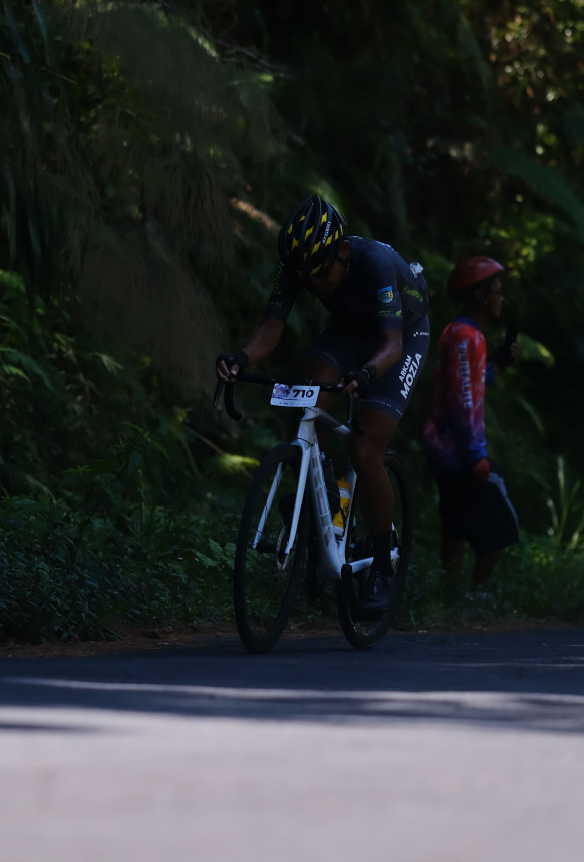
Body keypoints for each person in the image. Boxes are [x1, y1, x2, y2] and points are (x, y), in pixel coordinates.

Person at [216, 196, 430, 612]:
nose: (314, 284)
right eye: (305, 277)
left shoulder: (374, 263)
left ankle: (383, 564)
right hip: (348, 330)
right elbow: (271, 328)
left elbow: (391, 346)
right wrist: (239, 359)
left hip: (401, 336)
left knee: (365, 448)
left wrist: (366, 373)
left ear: (344, 251)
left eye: (321, 274)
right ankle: (326, 498)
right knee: (307, 393)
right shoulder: (299, 263)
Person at [422, 254, 521, 594]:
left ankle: (450, 594)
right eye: (497, 291)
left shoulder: (461, 333)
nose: (501, 298)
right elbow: (464, 399)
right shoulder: (466, 337)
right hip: (458, 451)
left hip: (446, 447)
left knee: (455, 524)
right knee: (503, 524)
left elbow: (469, 380)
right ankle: (477, 593)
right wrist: (476, 455)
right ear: (480, 295)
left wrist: (499, 363)